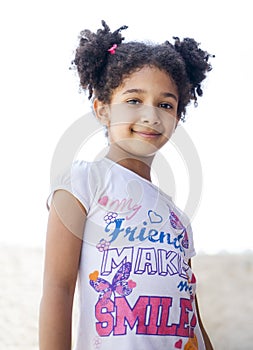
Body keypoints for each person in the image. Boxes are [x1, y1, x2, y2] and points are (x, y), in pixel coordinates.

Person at [39, 20, 214, 350]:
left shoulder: (178, 218)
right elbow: (57, 288)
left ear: (177, 119)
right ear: (102, 110)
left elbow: (193, 314)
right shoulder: (81, 181)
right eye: (134, 100)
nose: (151, 115)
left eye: (165, 104)